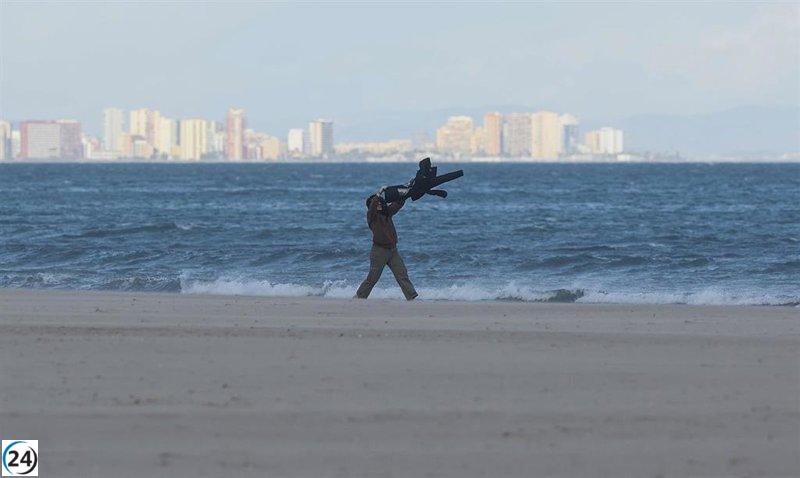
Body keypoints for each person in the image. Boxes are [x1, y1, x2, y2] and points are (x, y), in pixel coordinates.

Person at [355, 194, 418, 300]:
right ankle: (359, 296)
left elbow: (398, 204)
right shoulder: (371, 217)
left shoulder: (387, 213)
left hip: (393, 251)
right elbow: (372, 207)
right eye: (376, 204)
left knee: (402, 274)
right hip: (379, 252)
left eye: (380, 203)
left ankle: (411, 297)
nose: (378, 205)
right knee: (373, 278)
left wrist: (406, 193)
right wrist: (378, 195)